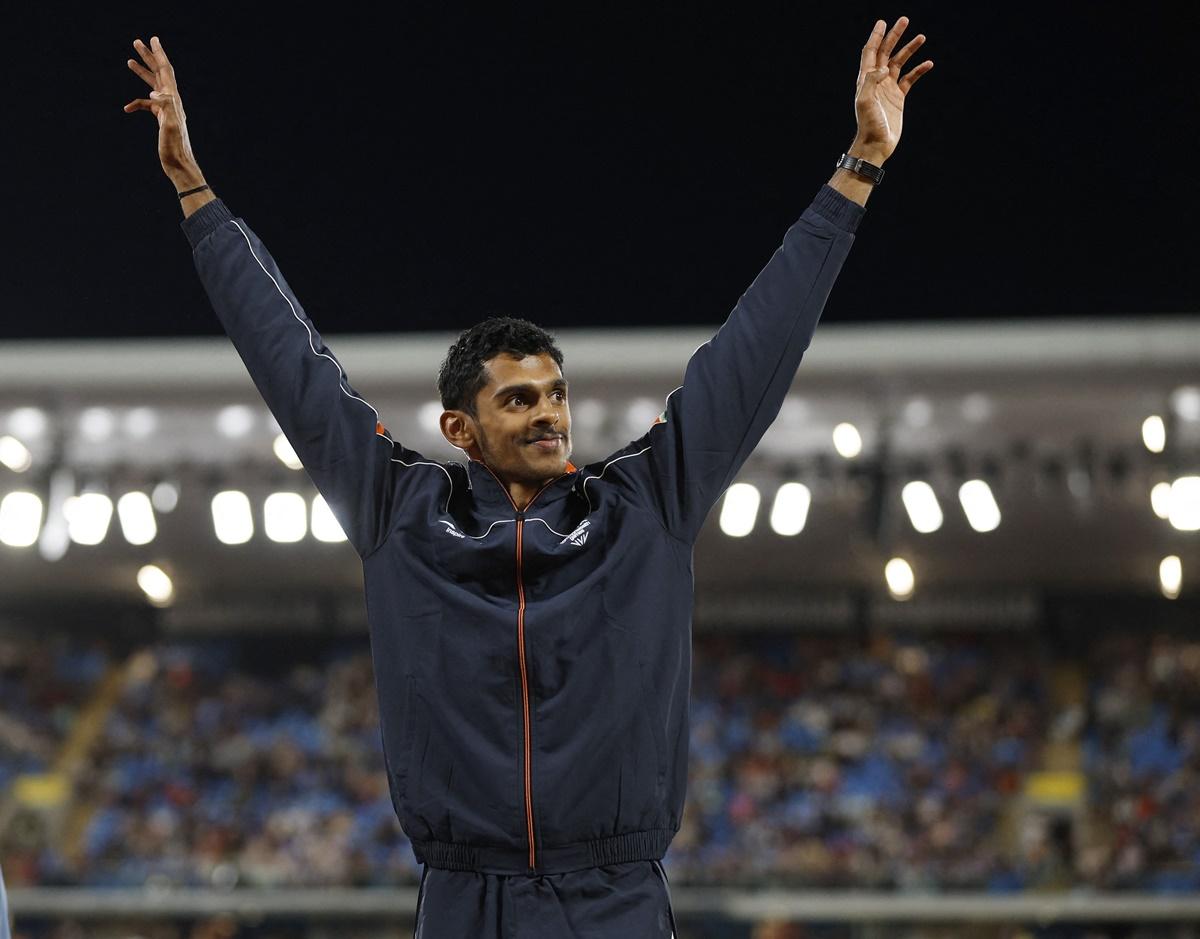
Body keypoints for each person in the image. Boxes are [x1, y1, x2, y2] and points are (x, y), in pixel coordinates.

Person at [124, 17, 931, 937]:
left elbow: (754, 349)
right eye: (518, 401)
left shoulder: (647, 502)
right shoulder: (399, 509)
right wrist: (194, 190)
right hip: (465, 899)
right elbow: (293, 368)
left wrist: (858, 166)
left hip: (614, 897)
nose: (549, 412)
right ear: (460, 429)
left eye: (555, 393)